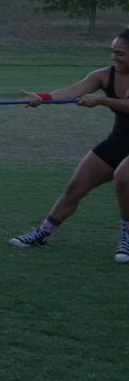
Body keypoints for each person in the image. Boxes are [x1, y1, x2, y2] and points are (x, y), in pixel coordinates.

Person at [9, 29, 129, 263]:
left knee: (124, 177)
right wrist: (43, 97)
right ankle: (42, 233)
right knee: (75, 187)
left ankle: (127, 236)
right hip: (119, 141)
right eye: (113, 52)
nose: (114, 57)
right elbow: (72, 91)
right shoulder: (104, 75)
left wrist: (101, 100)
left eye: (120, 53)